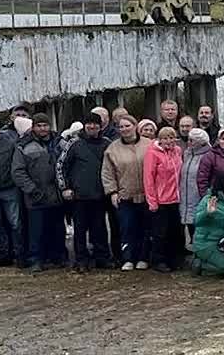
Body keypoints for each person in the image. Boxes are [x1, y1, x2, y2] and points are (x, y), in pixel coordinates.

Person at [58, 112, 112, 272]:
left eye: (95, 124)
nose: (92, 126)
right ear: (84, 125)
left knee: (100, 228)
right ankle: (81, 259)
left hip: (100, 194)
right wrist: (64, 187)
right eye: (89, 123)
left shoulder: (106, 143)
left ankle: (102, 257)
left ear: (100, 126)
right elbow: (61, 166)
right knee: (80, 230)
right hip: (78, 195)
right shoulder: (74, 144)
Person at [12, 114, 65, 272]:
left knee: (57, 228)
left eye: (45, 125)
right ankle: (36, 259)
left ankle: (59, 256)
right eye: (39, 125)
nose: (43, 129)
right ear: (33, 127)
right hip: (36, 195)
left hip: (56, 194)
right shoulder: (23, 146)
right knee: (36, 231)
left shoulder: (59, 142)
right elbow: (18, 172)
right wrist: (31, 189)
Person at [102, 113, 150, 271]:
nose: (124, 129)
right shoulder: (112, 148)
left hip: (146, 194)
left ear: (135, 127)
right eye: (121, 127)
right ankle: (128, 258)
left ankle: (143, 257)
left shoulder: (149, 144)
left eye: (127, 126)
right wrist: (112, 192)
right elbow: (107, 173)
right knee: (127, 227)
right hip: (125, 195)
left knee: (145, 227)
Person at [143, 126, 184, 273]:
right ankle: (159, 260)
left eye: (172, 137)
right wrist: (152, 201)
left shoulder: (178, 151)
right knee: (160, 233)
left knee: (175, 231)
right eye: (165, 138)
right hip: (161, 200)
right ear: (159, 140)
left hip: (176, 199)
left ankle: (174, 259)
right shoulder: (152, 154)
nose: (169, 141)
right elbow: (148, 178)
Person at [191, 173, 224, 277]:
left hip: (222, 240)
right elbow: (196, 221)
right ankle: (201, 265)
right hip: (206, 243)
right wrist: (207, 213)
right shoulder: (209, 199)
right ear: (223, 187)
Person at [179, 129, 211, 243]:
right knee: (189, 222)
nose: (188, 142)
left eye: (191, 140)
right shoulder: (187, 153)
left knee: (199, 221)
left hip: (199, 194)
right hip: (185, 193)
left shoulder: (208, 155)